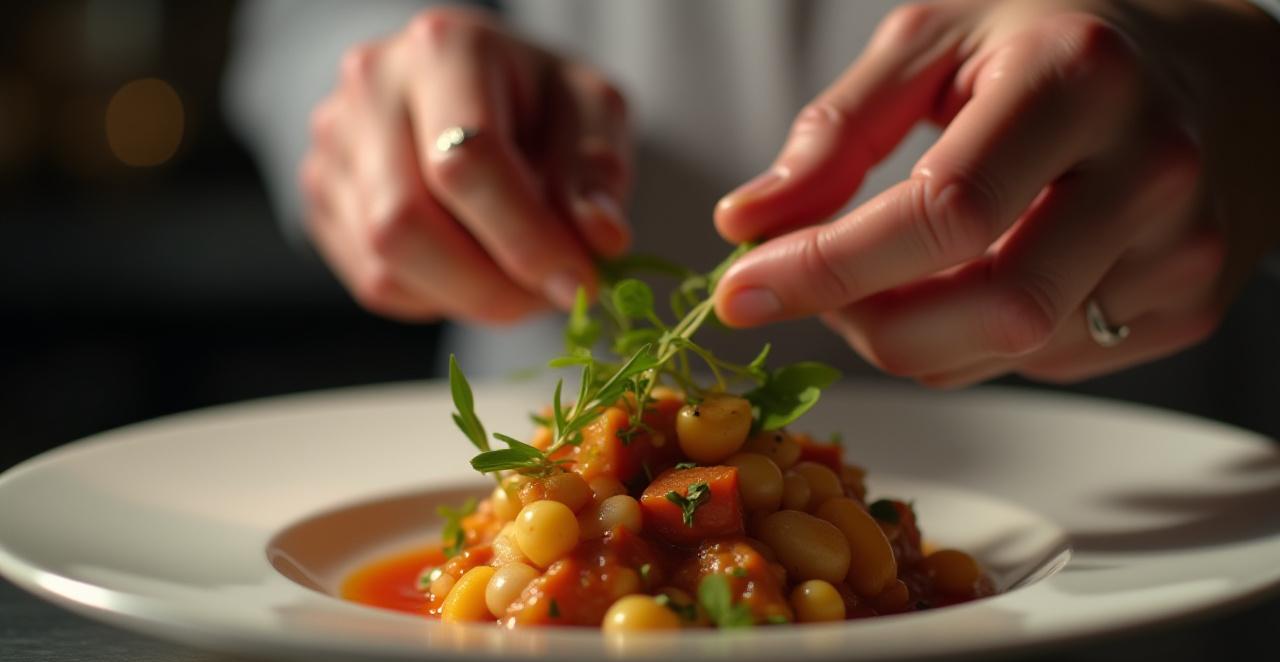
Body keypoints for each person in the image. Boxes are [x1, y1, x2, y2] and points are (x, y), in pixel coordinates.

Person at [226, 0, 1280, 385]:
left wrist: (1240, 78)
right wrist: (375, 93)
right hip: (523, 618)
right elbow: (302, 32)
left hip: (1125, 552)